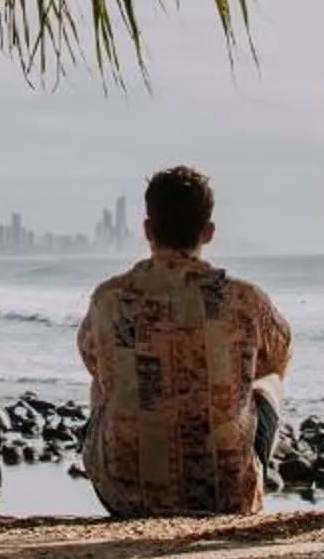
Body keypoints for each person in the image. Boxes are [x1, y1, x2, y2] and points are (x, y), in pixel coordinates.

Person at [76, 165, 293, 516]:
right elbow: (277, 359)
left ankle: (132, 464)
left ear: (148, 229)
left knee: (103, 382)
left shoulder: (108, 297)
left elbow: (92, 360)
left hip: (124, 495)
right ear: (208, 232)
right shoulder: (243, 298)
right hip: (224, 495)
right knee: (270, 384)